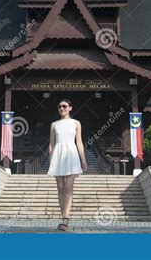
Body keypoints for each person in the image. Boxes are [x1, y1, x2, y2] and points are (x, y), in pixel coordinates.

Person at [47, 99, 88, 231]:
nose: (61, 108)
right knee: (60, 187)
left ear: (70, 108)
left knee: (68, 187)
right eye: (59, 106)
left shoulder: (76, 123)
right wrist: (51, 159)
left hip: (71, 154)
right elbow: (51, 143)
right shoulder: (54, 124)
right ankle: (63, 216)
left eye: (64, 106)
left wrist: (83, 160)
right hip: (58, 155)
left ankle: (66, 218)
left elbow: (79, 142)